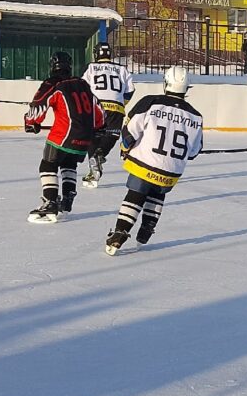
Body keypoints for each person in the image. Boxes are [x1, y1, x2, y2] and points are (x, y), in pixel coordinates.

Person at [105, 66, 204, 255]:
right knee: (157, 194)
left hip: (144, 164)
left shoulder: (150, 102)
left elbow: (130, 131)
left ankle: (120, 232)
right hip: (171, 172)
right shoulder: (196, 116)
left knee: (136, 194)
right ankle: (146, 230)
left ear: (166, 83)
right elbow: (193, 151)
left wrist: (125, 149)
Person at [23, 51, 103, 223]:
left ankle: (50, 201)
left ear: (52, 65)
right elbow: (98, 109)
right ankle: (67, 200)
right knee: (69, 163)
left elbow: (38, 105)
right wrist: (99, 127)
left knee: (48, 164)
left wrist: (31, 122)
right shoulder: (82, 83)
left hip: (64, 134)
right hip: (86, 136)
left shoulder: (52, 83)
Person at [80, 41, 136, 187]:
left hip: (96, 107)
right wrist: (121, 103)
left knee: (93, 136)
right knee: (111, 135)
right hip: (116, 108)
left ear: (96, 54)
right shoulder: (122, 69)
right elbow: (130, 90)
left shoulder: (91, 67)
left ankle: (94, 168)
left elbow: (83, 87)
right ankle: (99, 156)